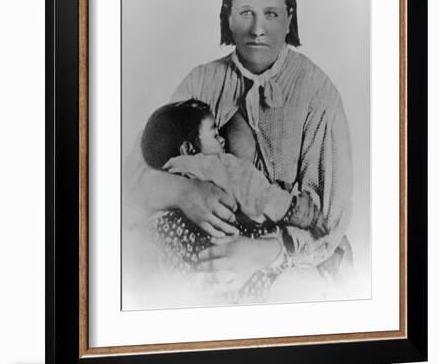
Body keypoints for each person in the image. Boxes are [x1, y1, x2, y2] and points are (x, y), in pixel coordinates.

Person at [126, 0, 353, 301]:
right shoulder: (202, 81)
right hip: (207, 253)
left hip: (294, 264)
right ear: (227, 17)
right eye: (246, 13)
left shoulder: (319, 94)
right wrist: (184, 193)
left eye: (271, 14)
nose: (257, 29)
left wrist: (264, 252)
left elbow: (330, 220)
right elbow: (134, 180)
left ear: (290, 17)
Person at [139, 98, 327, 301]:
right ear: (188, 149)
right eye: (214, 133)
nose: (222, 141)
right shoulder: (217, 165)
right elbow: (256, 192)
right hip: (230, 257)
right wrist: (294, 210)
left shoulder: (166, 178)